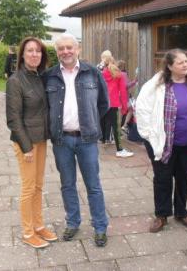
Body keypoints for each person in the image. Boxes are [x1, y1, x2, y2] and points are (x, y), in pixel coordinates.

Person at [136, 49, 187, 233]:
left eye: (186, 61)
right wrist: (148, 135)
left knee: (184, 179)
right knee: (162, 179)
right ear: (170, 66)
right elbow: (142, 108)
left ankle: (181, 211)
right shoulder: (156, 84)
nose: (186, 64)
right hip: (163, 143)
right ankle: (161, 215)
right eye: (180, 62)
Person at [44, 33, 110, 247]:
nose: (66, 51)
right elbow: (45, 107)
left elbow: (104, 104)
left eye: (69, 47)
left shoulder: (92, 73)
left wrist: (90, 123)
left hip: (87, 139)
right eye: (61, 48)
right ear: (57, 52)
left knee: (94, 185)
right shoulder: (49, 76)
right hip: (61, 140)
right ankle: (72, 222)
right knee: (67, 185)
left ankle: (100, 227)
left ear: (78, 49)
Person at [6, 37, 57, 249]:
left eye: (37, 51)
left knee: (38, 186)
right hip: (25, 142)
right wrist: (26, 146)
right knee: (28, 188)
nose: (34, 54)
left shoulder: (39, 77)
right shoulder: (15, 80)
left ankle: (38, 226)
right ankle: (28, 232)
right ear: (22, 55)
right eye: (30, 51)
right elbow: (13, 119)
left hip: (41, 139)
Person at [102, 62, 134, 157]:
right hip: (114, 104)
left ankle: (104, 140)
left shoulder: (102, 74)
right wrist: (124, 108)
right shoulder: (119, 76)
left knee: (103, 123)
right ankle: (119, 150)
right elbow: (123, 92)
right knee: (116, 127)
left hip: (103, 103)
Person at [117, 60, 137, 131]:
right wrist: (135, 81)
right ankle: (124, 126)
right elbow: (126, 86)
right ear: (123, 66)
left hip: (117, 96)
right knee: (131, 109)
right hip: (124, 96)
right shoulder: (123, 74)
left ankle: (117, 129)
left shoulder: (116, 73)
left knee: (121, 112)